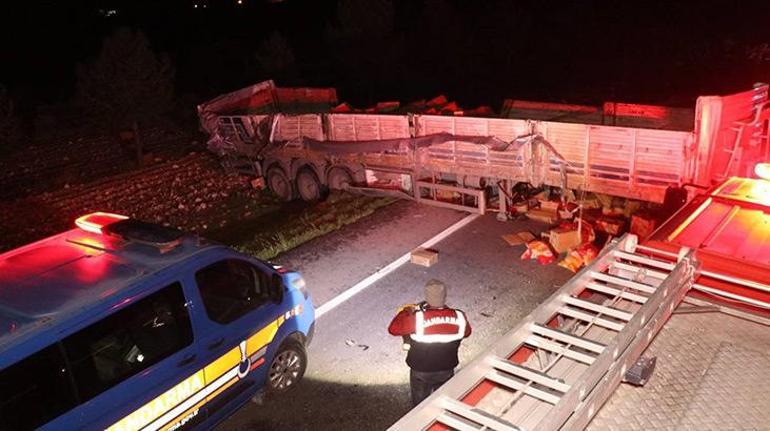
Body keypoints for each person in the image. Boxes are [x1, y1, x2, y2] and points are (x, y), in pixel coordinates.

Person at [388, 279, 472, 406]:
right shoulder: (459, 316)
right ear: (444, 296)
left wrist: (406, 311)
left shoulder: (417, 318)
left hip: (421, 371)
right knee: (444, 400)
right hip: (446, 369)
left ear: (427, 297)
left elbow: (393, 329)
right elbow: (467, 332)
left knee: (420, 404)